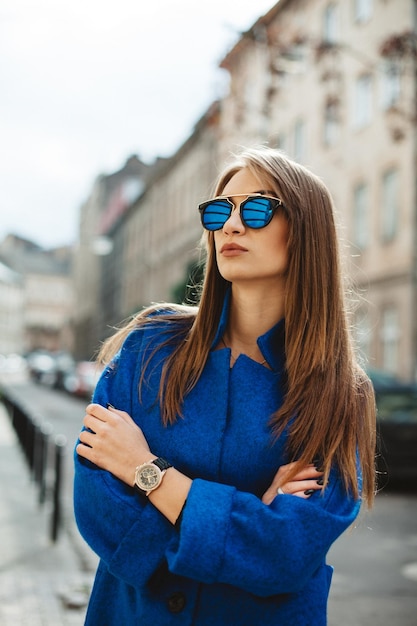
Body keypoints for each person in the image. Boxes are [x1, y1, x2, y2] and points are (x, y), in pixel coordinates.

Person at [74, 146, 376, 625]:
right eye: (220, 210)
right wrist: (249, 518)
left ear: (305, 232)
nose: (231, 226)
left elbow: (287, 553)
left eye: (256, 208)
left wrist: (147, 471)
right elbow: (97, 508)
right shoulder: (150, 345)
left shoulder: (340, 392)